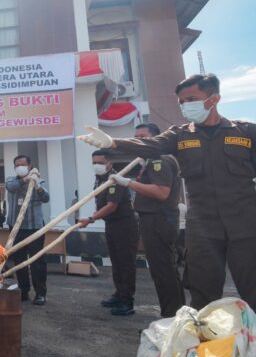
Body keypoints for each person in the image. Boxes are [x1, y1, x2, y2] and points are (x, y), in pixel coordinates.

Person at [79, 74, 256, 309]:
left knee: (252, 289)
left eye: (191, 99)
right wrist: (114, 143)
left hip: (245, 225)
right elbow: (151, 145)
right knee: (203, 292)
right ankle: (203, 345)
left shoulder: (246, 133)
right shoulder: (179, 135)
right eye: (182, 101)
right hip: (203, 228)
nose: (185, 106)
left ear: (214, 99)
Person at [110, 123, 185, 318]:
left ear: (155, 139)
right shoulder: (150, 162)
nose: (139, 141)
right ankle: (173, 316)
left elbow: (161, 193)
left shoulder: (159, 159)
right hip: (153, 219)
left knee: (163, 271)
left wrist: (129, 183)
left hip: (159, 220)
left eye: (143, 137)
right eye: (137, 137)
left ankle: (171, 319)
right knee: (163, 270)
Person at [77, 150, 139, 316]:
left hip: (124, 225)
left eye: (100, 162)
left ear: (109, 163)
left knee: (125, 263)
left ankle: (127, 301)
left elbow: (111, 206)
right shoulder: (100, 179)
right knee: (116, 262)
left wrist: (91, 219)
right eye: (94, 162)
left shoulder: (114, 180)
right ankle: (119, 294)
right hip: (111, 224)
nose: (96, 166)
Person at [5, 155, 50, 305]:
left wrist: (37, 185)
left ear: (30, 166)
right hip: (16, 228)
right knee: (19, 261)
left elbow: (46, 198)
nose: (20, 167)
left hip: (34, 227)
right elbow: (11, 188)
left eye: (23, 164)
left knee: (37, 261)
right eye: (17, 165)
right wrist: (25, 180)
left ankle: (40, 293)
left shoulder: (39, 180)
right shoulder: (11, 180)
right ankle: (23, 291)